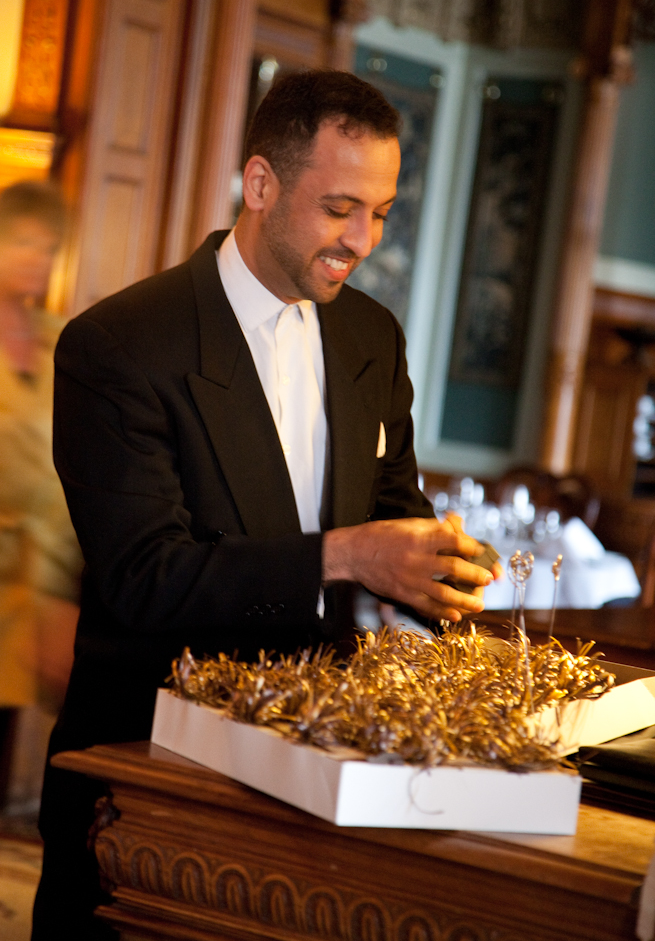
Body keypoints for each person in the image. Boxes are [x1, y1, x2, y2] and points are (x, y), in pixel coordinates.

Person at [32, 71, 497, 938]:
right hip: (146, 775)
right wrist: (348, 555)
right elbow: (142, 578)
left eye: (382, 212)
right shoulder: (119, 345)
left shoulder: (371, 335)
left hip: (314, 786)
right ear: (259, 185)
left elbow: (395, 514)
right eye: (340, 208)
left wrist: (435, 574)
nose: (365, 239)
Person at [0, 181, 82, 804]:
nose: (37, 257)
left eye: (48, 247)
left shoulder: (62, 341)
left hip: (41, 577)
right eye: (23, 241)